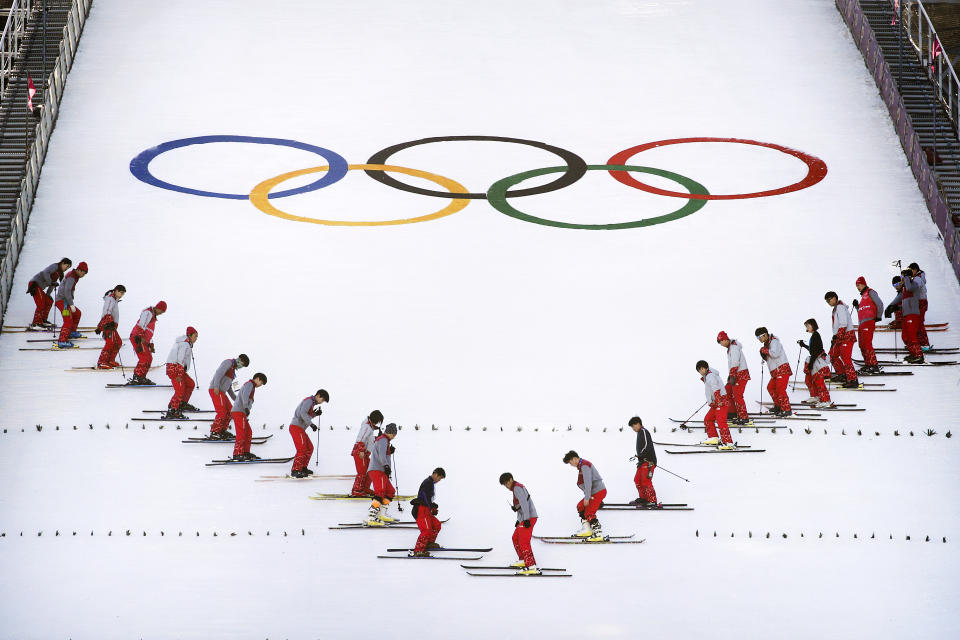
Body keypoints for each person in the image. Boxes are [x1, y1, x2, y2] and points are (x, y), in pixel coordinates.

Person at [499, 472, 540, 575]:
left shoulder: (517, 488)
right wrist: (519, 519)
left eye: (506, 484)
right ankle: (522, 560)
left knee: (523, 541)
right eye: (504, 485)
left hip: (529, 518)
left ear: (510, 480)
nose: (506, 486)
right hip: (525, 518)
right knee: (515, 537)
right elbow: (521, 506)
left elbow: (524, 504)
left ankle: (531, 566)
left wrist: (526, 519)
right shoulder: (516, 488)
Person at [562, 450, 607, 540]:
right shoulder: (582, 466)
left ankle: (598, 534)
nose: (571, 465)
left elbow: (588, 483)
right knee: (580, 506)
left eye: (570, 463)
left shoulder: (585, 466)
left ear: (574, 459)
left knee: (589, 512)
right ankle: (587, 530)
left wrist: (587, 498)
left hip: (597, 491)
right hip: (595, 492)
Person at [885, 270, 925, 363]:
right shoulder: (904, 290)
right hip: (906, 315)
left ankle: (919, 355)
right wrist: (893, 307)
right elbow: (902, 302)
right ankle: (913, 354)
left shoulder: (913, 285)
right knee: (905, 337)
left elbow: (910, 288)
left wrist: (907, 277)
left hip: (913, 314)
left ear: (907, 277)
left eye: (902, 277)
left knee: (911, 336)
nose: (902, 279)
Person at [289, 389, 329, 477]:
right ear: (318, 395)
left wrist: (315, 414)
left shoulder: (311, 403)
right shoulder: (309, 401)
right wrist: (311, 424)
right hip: (296, 427)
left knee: (309, 448)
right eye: (322, 400)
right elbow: (302, 413)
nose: (321, 402)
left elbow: (306, 415)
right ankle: (295, 470)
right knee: (302, 448)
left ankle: (303, 467)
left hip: (300, 428)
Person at [207, 354, 249, 439]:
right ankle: (215, 431)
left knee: (230, 411)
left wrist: (237, 400)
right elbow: (219, 373)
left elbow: (229, 388)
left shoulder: (233, 372)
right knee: (222, 412)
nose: (241, 366)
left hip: (222, 392)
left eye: (243, 366)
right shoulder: (228, 362)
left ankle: (222, 430)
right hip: (216, 390)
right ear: (240, 359)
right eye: (242, 364)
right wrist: (216, 386)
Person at [365, 423, 398, 526]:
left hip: (380, 470)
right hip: (377, 469)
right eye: (394, 434)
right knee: (380, 492)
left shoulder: (384, 441)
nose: (394, 437)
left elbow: (383, 453)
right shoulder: (383, 439)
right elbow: (381, 455)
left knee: (390, 491)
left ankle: (381, 514)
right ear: (391, 433)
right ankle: (370, 517)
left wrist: (389, 452)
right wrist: (386, 466)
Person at [409, 467, 446, 557]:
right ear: (435, 474)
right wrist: (431, 506)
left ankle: (428, 543)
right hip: (421, 510)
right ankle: (418, 550)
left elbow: (428, 498)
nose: (439, 480)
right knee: (426, 530)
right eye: (439, 478)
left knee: (436, 525)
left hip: (426, 509)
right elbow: (425, 497)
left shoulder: (431, 483)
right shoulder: (428, 482)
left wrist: (432, 506)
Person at [755, 327, 793, 416]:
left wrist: (764, 350)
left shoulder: (774, 341)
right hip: (775, 371)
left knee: (780, 389)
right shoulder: (767, 344)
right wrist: (764, 356)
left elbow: (775, 353)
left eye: (759, 337)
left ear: (764, 334)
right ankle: (779, 406)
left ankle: (787, 409)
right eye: (757, 338)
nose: (759, 339)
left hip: (782, 369)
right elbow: (770, 356)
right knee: (771, 387)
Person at [797, 319, 833, 409]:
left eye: (808, 326)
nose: (807, 328)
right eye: (806, 326)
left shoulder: (816, 336)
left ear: (813, 326)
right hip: (814, 361)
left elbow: (816, 352)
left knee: (819, 381)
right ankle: (815, 396)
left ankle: (826, 400)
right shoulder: (814, 336)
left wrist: (811, 363)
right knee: (809, 380)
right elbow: (813, 350)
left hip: (818, 362)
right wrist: (804, 345)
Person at [825, 292, 859, 388]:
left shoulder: (840, 307)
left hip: (846, 335)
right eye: (827, 300)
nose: (828, 301)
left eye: (829, 299)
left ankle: (853, 379)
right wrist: (835, 336)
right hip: (840, 337)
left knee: (845, 357)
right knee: (833, 355)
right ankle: (842, 374)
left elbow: (843, 323)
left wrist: (838, 335)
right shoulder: (835, 309)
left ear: (835, 298)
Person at [231, 373, 267, 461]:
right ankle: (238, 453)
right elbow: (245, 396)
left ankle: (245, 452)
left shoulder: (252, 386)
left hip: (242, 412)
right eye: (261, 383)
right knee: (242, 432)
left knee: (248, 432)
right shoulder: (250, 384)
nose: (260, 385)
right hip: (239, 411)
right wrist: (246, 407)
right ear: (257, 379)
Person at [716, 331, 751, 425]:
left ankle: (743, 417)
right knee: (727, 392)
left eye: (721, 342)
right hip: (735, 375)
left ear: (725, 339)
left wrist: (732, 375)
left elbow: (735, 362)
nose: (721, 344)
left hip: (740, 375)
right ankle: (732, 412)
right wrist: (730, 375)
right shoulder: (730, 347)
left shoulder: (734, 347)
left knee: (737, 396)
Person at [129, 301, 167, 385]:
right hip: (138, 338)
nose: (161, 313)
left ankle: (141, 377)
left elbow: (149, 332)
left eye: (163, 312)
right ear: (158, 308)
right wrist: (139, 337)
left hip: (143, 339)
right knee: (144, 357)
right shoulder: (148, 313)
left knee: (149, 358)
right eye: (161, 311)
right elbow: (141, 325)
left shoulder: (153, 316)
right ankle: (137, 377)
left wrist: (150, 345)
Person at [26, 257, 71, 329]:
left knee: (49, 301)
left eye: (68, 267)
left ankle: (43, 320)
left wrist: (48, 294)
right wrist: (51, 282)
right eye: (67, 266)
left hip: (39, 287)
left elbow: (52, 284)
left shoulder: (59, 273)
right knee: (41, 303)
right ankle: (36, 322)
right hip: (35, 284)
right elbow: (45, 273)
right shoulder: (55, 266)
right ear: (63, 263)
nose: (67, 268)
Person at [852, 277, 884, 374]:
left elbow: (880, 304)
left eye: (859, 285)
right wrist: (857, 306)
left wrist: (878, 316)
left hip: (869, 322)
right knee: (861, 344)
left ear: (864, 284)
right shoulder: (863, 298)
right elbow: (862, 312)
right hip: (862, 324)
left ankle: (873, 365)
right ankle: (868, 364)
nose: (858, 287)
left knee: (866, 343)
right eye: (856, 286)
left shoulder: (870, 292)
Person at [54, 261, 88, 348]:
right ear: (79, 270)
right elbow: (66, 292)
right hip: (62, 301)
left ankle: (71, 332)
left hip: (65, 301)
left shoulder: (74, 276)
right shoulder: (72, 277)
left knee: (77, 313)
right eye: (83, 273)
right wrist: (71, 304)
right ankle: (62, 341)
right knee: (68, 320)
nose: (83, 276)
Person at [628, 417, 659, 507]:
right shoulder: (639, 433)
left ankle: (652, 500)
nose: (633, 428)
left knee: (645, 481)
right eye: (632, 427)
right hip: (642, 462)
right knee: (637, 480)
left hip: (649, 461)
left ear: (638, 424)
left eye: (633, 426)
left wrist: (641, 455)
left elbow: (646, 445)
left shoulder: (644, 431)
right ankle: (644, 498)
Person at [350, 410, 383, 496]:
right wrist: (361, 450)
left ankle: (365, 488)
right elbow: (360, 439)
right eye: (377, 422)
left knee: (369, 471)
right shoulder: (366, 427)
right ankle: (357, 490)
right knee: (362, 472)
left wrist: (377, 438)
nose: (377, 424)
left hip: (364, 453)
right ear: (374, 420)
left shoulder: (370, 428)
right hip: (359, 452)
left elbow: (369, 440)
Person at [95, 285, 126, 369]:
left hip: (112, 325)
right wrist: (108, 322)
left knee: (118, 342)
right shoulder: (110, 299)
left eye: (123, 294)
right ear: (116, 291)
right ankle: (102, 362)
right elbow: (107, 311)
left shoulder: (114, 300)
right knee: (110, 343)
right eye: (121, 292)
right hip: (108, 324)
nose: (122, 295)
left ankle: (110, 360)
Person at [908, 262, 930, 349]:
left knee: (919, 324)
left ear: (915, 270)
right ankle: (920, 343)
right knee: (918, 323)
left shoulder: (917, 278)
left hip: (921, 302)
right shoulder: (918, 277)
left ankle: (924, 344)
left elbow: (913, 289)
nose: (910, 272)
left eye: (911, 270)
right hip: (920, 302)